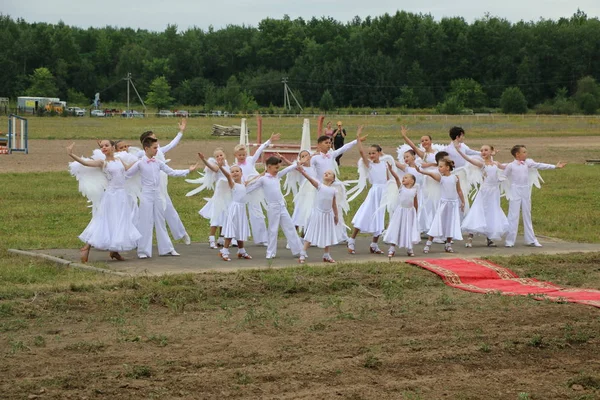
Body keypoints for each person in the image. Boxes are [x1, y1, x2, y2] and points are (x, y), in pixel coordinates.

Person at [67, 140, 141, 263]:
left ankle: (114, 251)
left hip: (122, 195)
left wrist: (142, 161)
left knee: (119, 221)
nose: (104, 148)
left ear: (113, 147)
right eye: (102, 147)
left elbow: (128, 169)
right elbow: (85, 163)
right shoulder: (103, 162)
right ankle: (86, 247)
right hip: (111, 196)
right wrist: (71, 154)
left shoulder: (119, 160)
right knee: (104, 221)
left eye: (106, 145)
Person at [126, 137, 199, 258]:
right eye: (155, 148)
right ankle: (143, 251)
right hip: (146, 195)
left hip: (158, 194)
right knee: (146, 222)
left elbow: (172, 172)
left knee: (161, 221)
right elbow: (127, 174)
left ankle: (166, 248)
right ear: (146, 148)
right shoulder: (140, 163)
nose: (157, 150)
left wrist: (187, 170)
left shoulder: (158, 162)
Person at [136, 119, 191, 245]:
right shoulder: (140, 154)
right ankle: (138, 239)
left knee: (169, 208)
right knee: (143, 213)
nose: (156, 141)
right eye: (153, 139)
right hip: (148, 185)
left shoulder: (159, 150)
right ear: (146, 143)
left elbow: (172, 144)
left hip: (160, 183)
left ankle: (181, 233)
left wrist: (181, 132)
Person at [311, 127, 368, 241]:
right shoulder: (315, 158)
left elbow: (343, 148)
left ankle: (341, 235)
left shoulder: (331, 155)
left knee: (337, 210)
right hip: (321, 188)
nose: (329, 145)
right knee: (319, 211)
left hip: (333, 186)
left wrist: (357, 140)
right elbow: (311, 173)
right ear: (319, 145)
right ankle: (314, 235)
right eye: (326, 143)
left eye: (330, 143)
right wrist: (318, 185)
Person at [503, 145, 566, 248]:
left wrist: (554, 166)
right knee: (513, 215)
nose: (526, 154)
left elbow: (540, 165)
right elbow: (503, 176)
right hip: (515, 190)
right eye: (524, 152)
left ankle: (531, 240)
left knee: (527, 213)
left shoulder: (528, 163)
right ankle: (510, 240)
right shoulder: (511, 165)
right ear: (517, 154)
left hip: (525, 190)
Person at [246, 156, 303, 259]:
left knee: (290, 226)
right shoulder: (263, 179)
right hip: (272, 207)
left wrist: (297, 164)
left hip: (281, 206)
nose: (277, 170)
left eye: (278, 168)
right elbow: (251, 187)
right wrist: (240, 188)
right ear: (269, 167)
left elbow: (286, 170)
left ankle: (298, 250)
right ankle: (270, 252)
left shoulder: (277, 176)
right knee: (273, 230)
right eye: (276, 168)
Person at [454, 143, 509, 248]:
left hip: (494, 192)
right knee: (479, 211)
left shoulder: (496, 163)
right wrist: (460, 152)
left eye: (486, 150)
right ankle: (470, 238)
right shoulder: (482, 164)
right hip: (485, 191)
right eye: (482, 150)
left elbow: (505, 167)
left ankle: (489, 238)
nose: (483, 152)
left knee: (491, 212)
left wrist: (518, 163)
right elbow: (470, 160)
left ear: (491, 151)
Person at [233, 132, 281, 245]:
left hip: (254, 191)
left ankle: (262, 238)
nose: (242, 157)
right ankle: (234, 237)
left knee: (257, 214)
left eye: (243, 154)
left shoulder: (250, 160)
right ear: (235, 155)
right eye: (239, 155)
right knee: (237, 214)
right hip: (242, 192)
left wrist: (269, 141)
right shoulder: (235, 168)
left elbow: (259, 150)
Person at [347, 141, 391, 255]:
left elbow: (388, 178)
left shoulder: (385, 164)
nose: (371, 155)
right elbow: (361, 152)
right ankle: (352, 240)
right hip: (375, 192)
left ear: (379, 153)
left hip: (383, 192)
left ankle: (374, 244)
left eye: (373, 153)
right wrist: (358, 139)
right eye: (370, 153)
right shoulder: (369, 165)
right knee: (365, 213)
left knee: (379, 217)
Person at [416, 159, 465, 254]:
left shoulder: (455, 177)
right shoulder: (441, 178)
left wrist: (462, 201)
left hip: (453, 204)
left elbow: (459, 190)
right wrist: (421, 171)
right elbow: (430, 174)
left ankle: (448, 244)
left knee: (451, 223)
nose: (439, 168)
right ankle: (428, 243)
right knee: (438, 222)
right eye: (439, 166)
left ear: (447, 168)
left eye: (441, 166)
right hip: (444, 203)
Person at [296, 165, 340, 264]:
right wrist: (303, 172)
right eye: (325, 173)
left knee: (327, 234)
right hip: (318, 213)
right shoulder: (320, 186)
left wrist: (336, 215)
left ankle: (326, 254)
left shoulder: (333, 190)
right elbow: (310, 179)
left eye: (329, 173)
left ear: (333, 179)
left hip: (328, 214)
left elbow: (333, 204)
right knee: (311, 233)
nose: (326, 174)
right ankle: (302, 253)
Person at [216, 163, 255, 261]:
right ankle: (224, 251)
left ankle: (241, 251)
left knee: (240, 230)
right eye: (232, 171)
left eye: (237, 171)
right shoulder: (232, 184)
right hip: (234, 209)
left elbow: (255, 179)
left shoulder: (244, 184)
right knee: (231, 230)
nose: (234, 173)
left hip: (241, 210)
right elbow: (228, 176)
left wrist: (264, 172)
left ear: (241, 173)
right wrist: (220, 167)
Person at [383, 166, 420, 258]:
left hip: (410, 212)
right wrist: (391, 170)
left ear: (412, 181)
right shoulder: (401, 188)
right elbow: (396, 177)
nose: (403, 178)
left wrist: (415, 212)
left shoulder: (414, 190)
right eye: (403, 177)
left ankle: (409, 247)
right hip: (400, 211)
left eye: (406, 177)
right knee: (397, 228)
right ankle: (392, 247)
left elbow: (415, 203)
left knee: (408, 229)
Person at [197, 148, 230, 249]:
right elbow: (214, 168)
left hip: (227, 195)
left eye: (221, 155)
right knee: (216, 216)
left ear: (224, 155)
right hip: (219, 195)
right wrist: (204, 160)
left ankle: (221, 238)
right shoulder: (217, 166)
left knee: (224, 217)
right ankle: (211, 239)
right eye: (217, 156)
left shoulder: (228, 165)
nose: (220, 157)